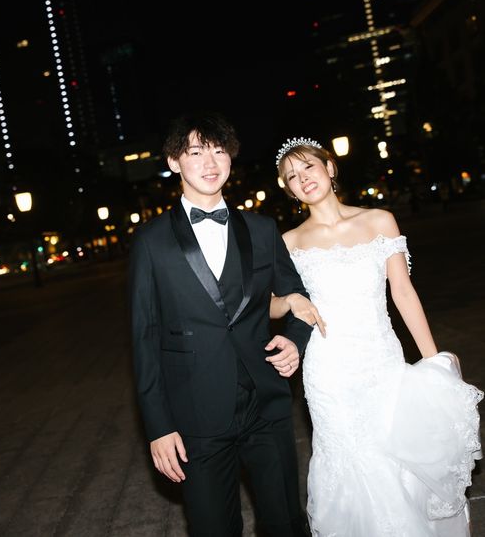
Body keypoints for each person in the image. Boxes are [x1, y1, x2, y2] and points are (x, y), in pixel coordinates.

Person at [270, 137, 484, 537]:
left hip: (381, 360)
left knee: (397, 457)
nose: (303, 178)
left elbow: (403, 293)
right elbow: (269, 306)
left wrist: (434, 361)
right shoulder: (289, 242)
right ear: (290, 190)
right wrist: (291, 300)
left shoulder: (379, 221)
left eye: (309, 167)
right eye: (292, 176)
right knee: (352, 462)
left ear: (329, 168)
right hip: (328, 372)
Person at [129, 113, 324, 536]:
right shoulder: (151, 241)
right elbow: (144, 338)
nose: (210, 162)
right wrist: (159, 428)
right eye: (196, 152)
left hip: (265, 405)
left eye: (219, 151)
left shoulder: (262, 229)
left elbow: (296, 297)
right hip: (195, 415)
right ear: (174, 161)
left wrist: (295, 341)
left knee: (286, 523)